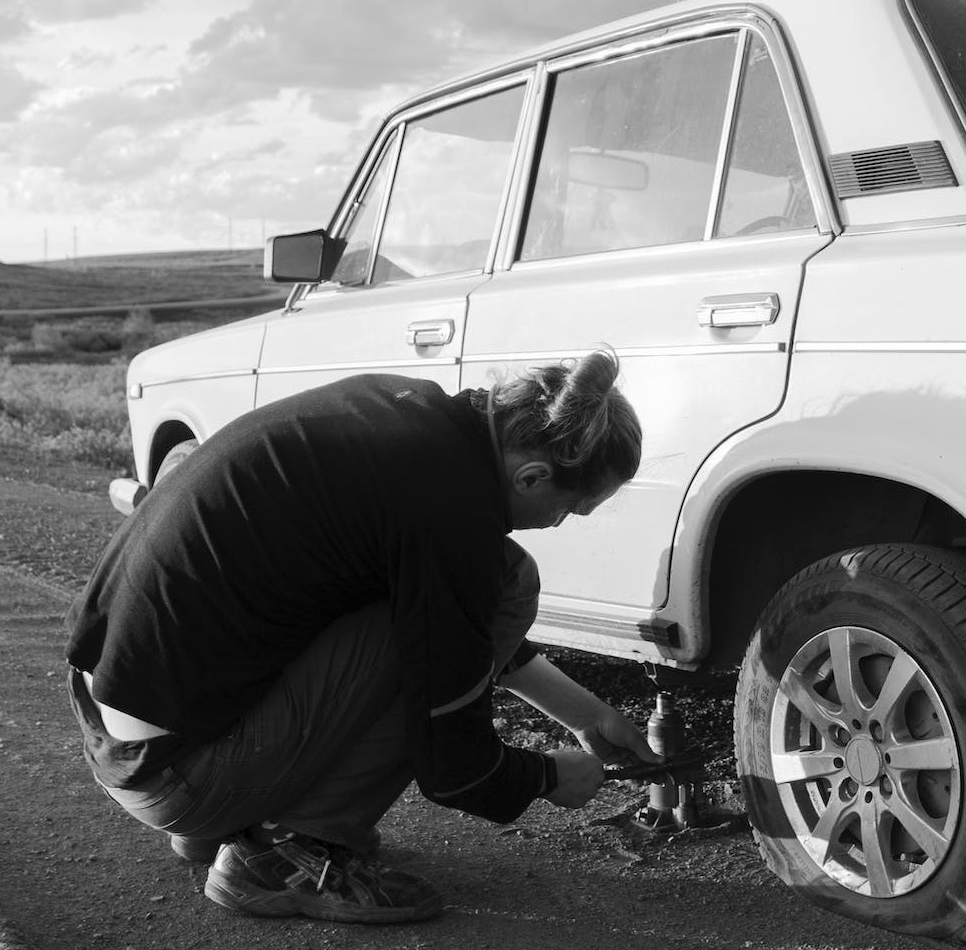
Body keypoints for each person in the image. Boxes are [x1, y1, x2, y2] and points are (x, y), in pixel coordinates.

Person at [65, 347, 659, 924]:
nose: (556, 523)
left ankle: (240, 817)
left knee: (441, 601)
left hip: (123, 730)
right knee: (510, 578)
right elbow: (454, 764)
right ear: (532, 476)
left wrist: (584, 714)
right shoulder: (451, 509)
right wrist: (546, 777)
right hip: (179, 778)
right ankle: (287, 853)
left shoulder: (407, 416)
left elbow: (451, 621)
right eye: (569, 510)